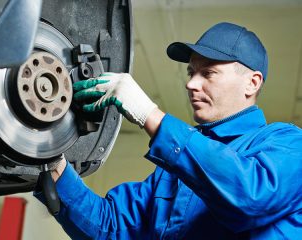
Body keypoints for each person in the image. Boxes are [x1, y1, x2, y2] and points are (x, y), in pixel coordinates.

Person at [35, 22, 302, 239]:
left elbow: (249, 197)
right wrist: (51, 156)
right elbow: (110, 227)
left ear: (252, 83)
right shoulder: (172, 174)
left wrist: (149, 114)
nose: (191, 84)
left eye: (207, 73)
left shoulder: (289, 144)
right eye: (191, 73)